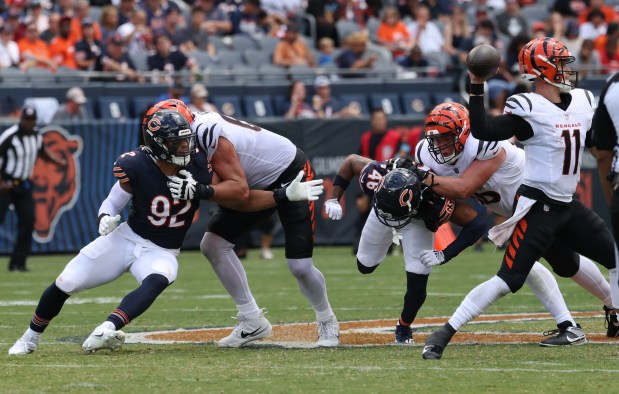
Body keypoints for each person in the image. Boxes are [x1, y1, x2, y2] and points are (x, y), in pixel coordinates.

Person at [8, 108, 322, 355]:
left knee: (161, 276)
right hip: (127, 237)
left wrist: (281, 196)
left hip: (162, 249)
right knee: (66, 281)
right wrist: (105, 215)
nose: (186, 146)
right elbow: (117, 196)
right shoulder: (137, 164)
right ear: (158, 145)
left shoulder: (203, 165)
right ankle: (29, 338)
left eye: (187, 140)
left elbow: (240, 196)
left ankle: (107, 327)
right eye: (177, 143)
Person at [422, 37, 619, 360]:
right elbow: (484, 128)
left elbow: (599, 141)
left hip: (567, 205)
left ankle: (615, 311)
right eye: (560, 63)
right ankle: (443, 334)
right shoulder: (527, 107)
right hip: (538, 207)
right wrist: (476, 84)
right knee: (508, 279)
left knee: (613, 257)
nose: (566, 70)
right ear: (542, 69)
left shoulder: (583, 100)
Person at [154, 99, 340, 348]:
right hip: (252, 179)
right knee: (213, 245)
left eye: (178, 140)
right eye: (169, 141)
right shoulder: (192, 138)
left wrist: (201, 190)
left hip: (290, 174)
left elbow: (239, 194)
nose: (176, 146)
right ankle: (252, 320)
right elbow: (235, 198)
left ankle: (327, 319)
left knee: (300, 266)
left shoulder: (209, 134)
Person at [324, 154, 487, 343]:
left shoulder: (434, 200)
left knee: (418, 280)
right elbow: (351, 161)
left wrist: (445, 254)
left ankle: (404, 326)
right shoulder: (376, 174)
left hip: (417, 221)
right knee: (365, 265)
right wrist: (333, 198)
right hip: (381, 210)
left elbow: (477, 224)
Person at [0, 105, 66, 272]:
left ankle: (18, 263)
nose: (29, 123)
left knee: (28, 222)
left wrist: (57, 161)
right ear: (21, 119)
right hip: (5, 184)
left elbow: (42, 152)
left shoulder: (36, 135)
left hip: (23, 184)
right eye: (26, 120)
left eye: (32, 120)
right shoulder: (9, 136)